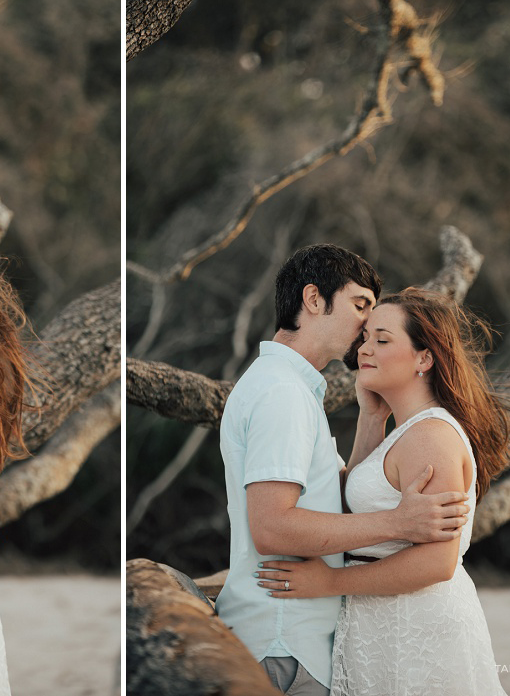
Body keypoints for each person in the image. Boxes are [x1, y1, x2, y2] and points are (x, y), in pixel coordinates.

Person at [213, 245, 471, 696]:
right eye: (359, 306)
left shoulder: (290, 389)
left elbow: (334, 497)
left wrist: (372, 420)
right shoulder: (283, 395)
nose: (364, 329)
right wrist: (397, 522)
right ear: (313, 300)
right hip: (286, 640)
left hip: (302, 638)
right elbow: (272, 526)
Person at [256, 287, 510, 695]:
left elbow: (437, 562)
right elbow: (346, 508)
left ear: (424, 358)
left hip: (417, 630)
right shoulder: (404, 431)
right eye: (365, 338)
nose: (364, 349)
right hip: (383, 624)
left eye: (382, 339)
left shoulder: (431, 437)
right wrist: (371, 418)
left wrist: (329, 583)